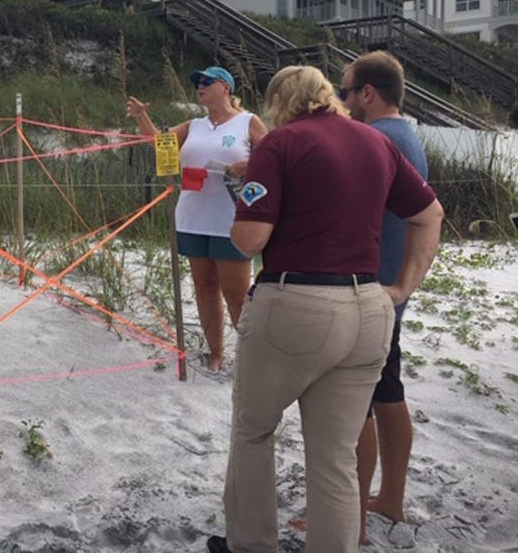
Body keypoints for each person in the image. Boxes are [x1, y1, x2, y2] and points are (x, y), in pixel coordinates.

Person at [206, 65, 443, 553]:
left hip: (296, 302)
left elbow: (250, 240)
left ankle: (249, 544)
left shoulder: (280, 143)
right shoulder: (376, 142)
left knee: (254, 431)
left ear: (281, 102)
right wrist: (400, 288)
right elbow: (429, 214)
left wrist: (241, 206)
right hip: (368, 308)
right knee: (335, 457)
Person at [341, 51, 428, 543]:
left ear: (367, 94)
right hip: (391, 291)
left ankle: (346, 514)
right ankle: (390, 498)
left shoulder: (372, 139)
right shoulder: (407, 135)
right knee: (387, 394)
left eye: (345, 91)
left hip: (365, 291)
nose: (341, 100)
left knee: (352, 407)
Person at [127, 66, 268, 371]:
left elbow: (274, 157)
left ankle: (252, 360)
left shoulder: (248, 121)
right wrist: (141, 116)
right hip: (193, 216)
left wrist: (249, 164)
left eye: (207, 82)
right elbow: (157, 142)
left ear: (226, 88)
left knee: (237, 295)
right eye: (197, 83)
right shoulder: (194, 125)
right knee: (204, 288)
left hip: (232, 220)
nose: (200, 87)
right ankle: (215, 352)